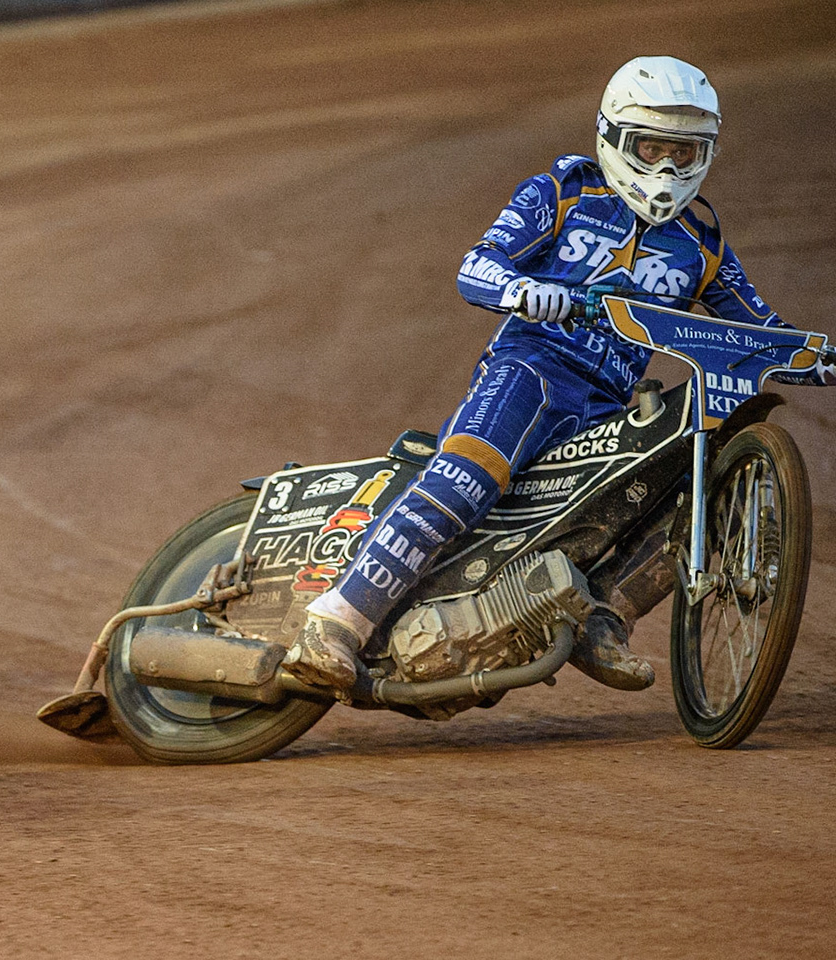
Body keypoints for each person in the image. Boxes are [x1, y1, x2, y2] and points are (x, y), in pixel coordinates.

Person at [288, 56, 832, 693]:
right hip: (531, 370)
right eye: (650, 148)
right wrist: (522, 291)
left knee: (683, 486)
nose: (664, 170)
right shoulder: (562, 192)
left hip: (610, 406)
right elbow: (475, 266)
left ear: (705, 155)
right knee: (465, 483)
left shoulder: (702, 243)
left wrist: (819, 357)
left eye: (683, 154)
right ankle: (334, 623)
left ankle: (605, 616)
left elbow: (762, 333)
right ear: (612, 138)